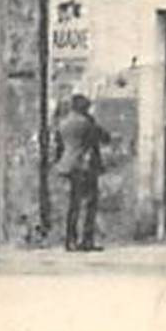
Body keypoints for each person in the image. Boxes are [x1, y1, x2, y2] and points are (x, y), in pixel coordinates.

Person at [52, 92, 110, 252]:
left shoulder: (63, 123)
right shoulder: (87, 123)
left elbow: (58, 146)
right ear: (84, 107)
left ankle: (70, 240)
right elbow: (103, 138)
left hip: (67, 166)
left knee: (73, 205)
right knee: (90, 204)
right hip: (84, 167)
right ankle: (86, 240)